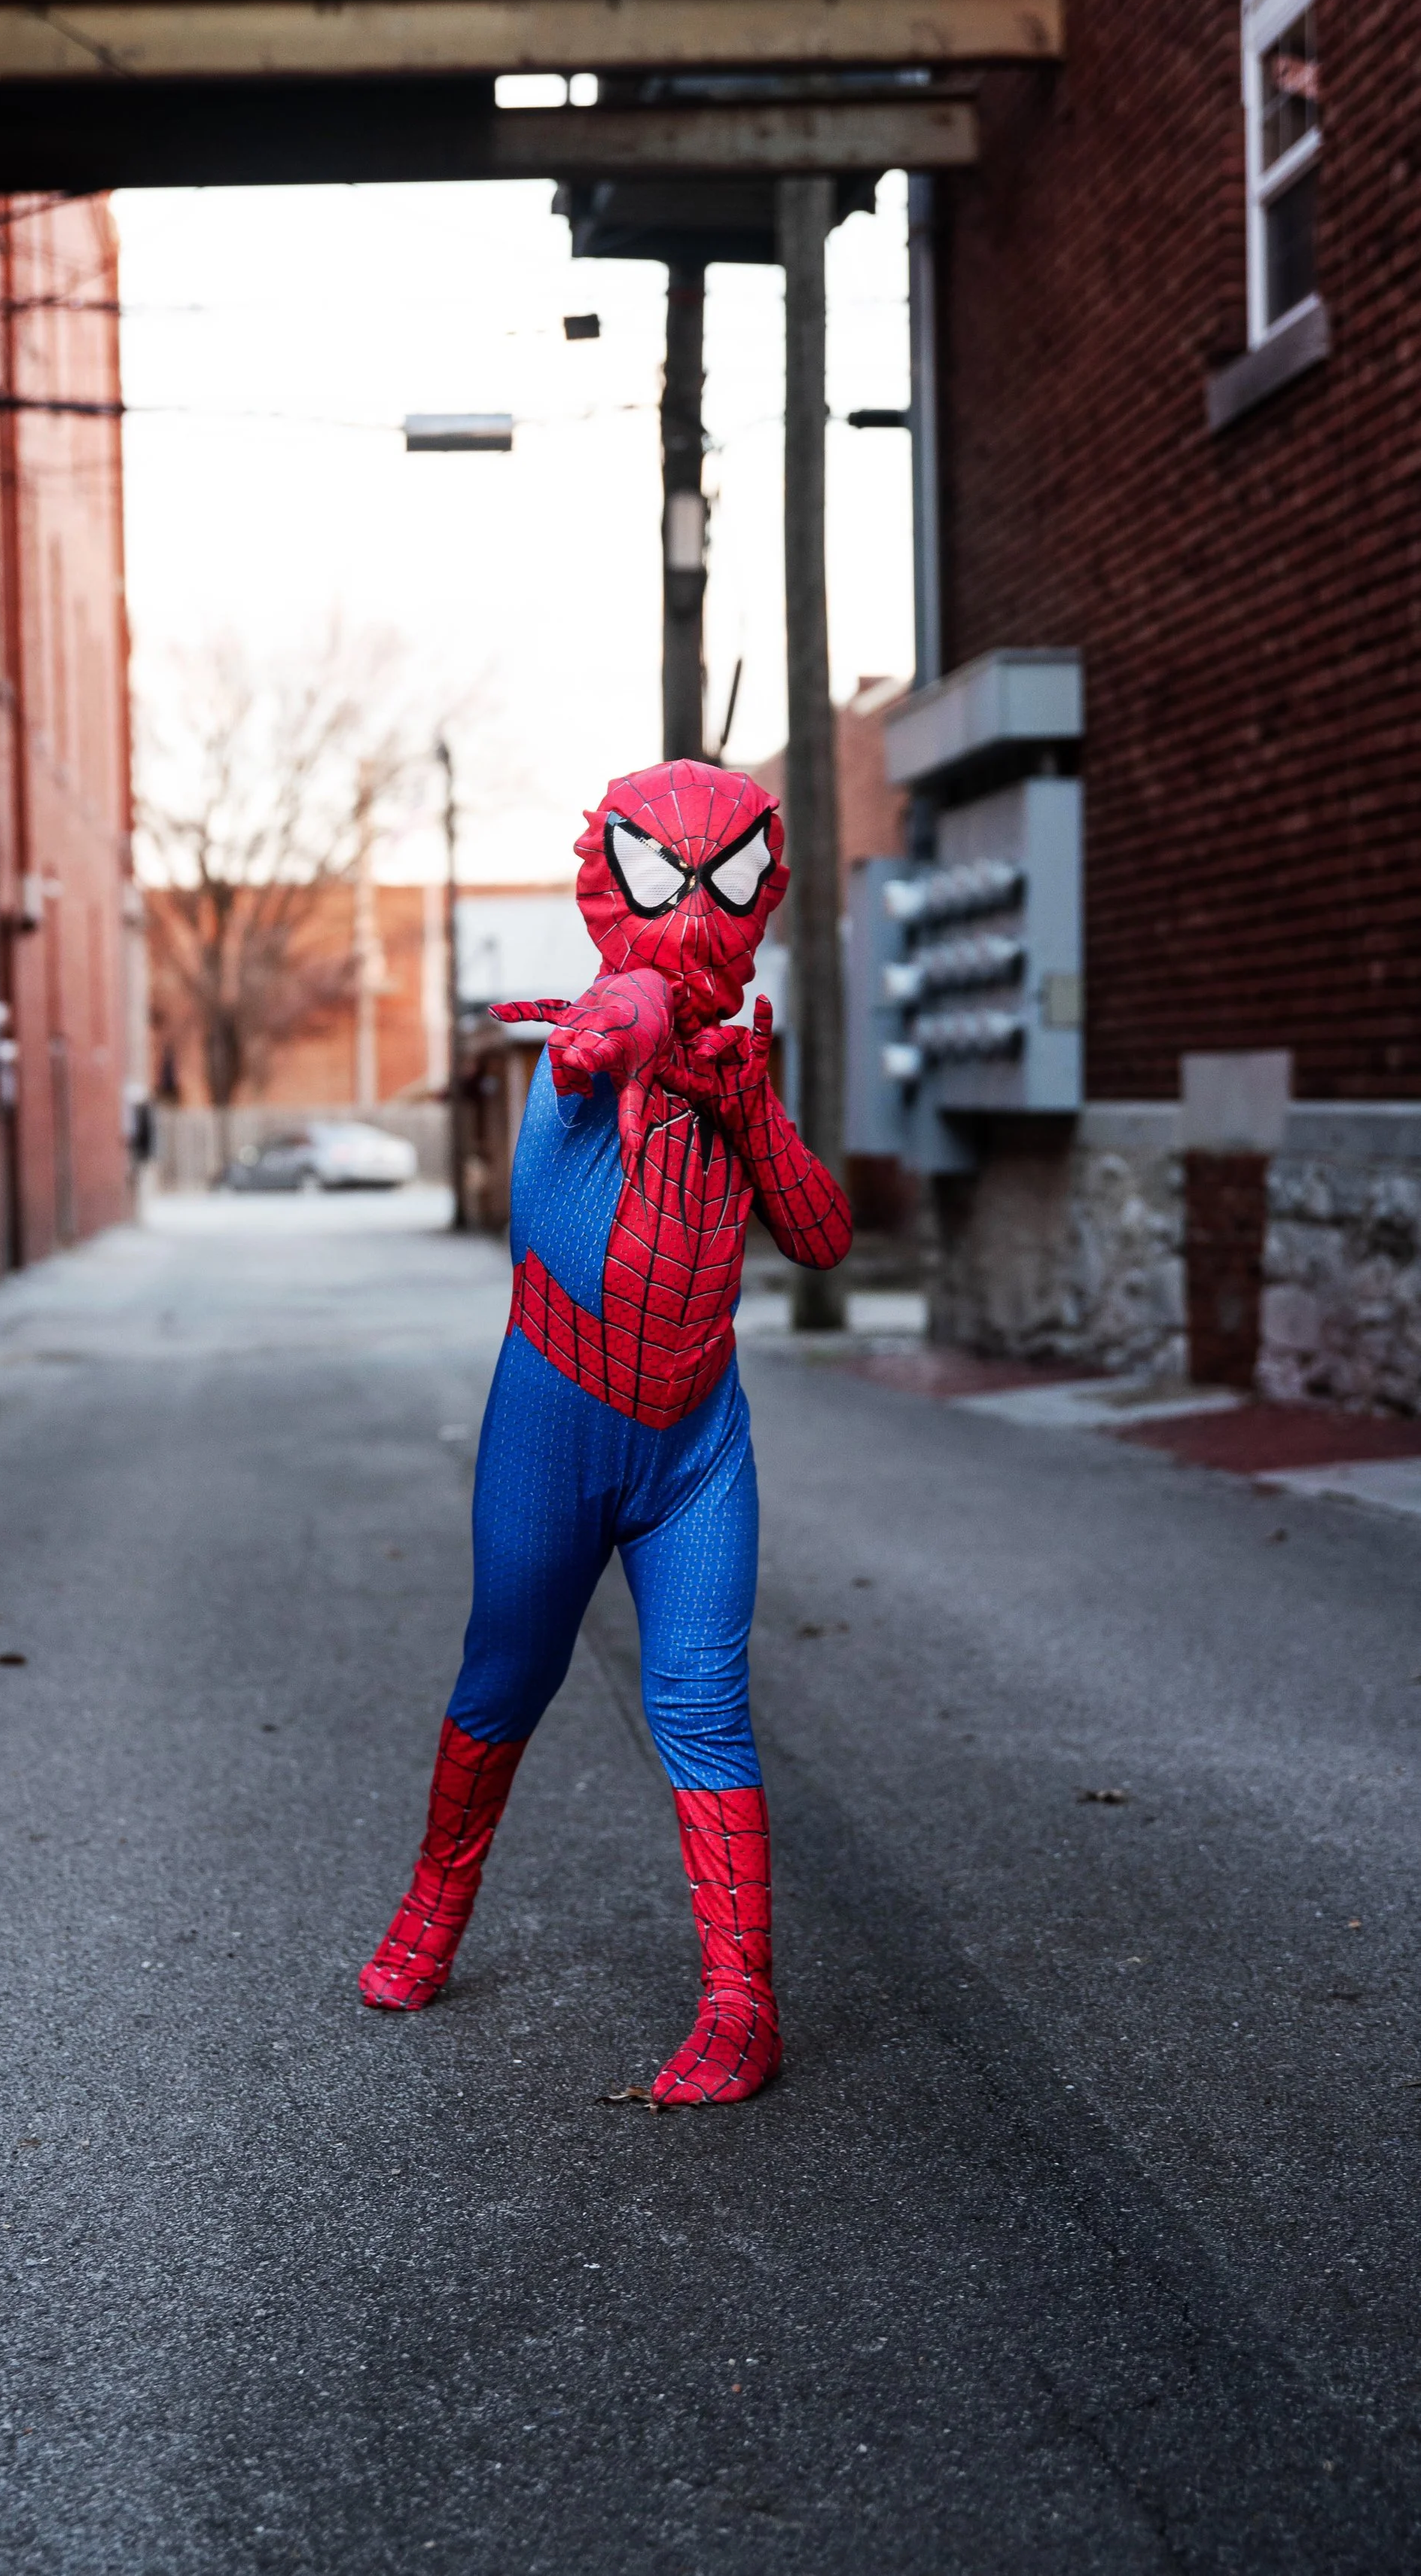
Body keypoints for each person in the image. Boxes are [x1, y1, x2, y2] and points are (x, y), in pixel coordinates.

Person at [361, 762, 851, 2105]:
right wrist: (612, 1033)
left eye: (728, 877)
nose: (697, 910)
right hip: (554, 1420)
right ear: (610, 877)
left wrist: (749, 1107)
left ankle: (744, 2005)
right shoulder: (595, 1035)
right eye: (664, 875)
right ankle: (432, 1911)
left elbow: (821, 1237)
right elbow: (623, 1011)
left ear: (764, 884)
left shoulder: (741, 1075)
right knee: (505, 1678)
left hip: (697, 1442)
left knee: (702, 1702)